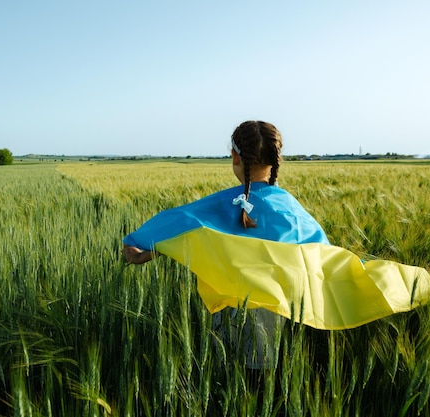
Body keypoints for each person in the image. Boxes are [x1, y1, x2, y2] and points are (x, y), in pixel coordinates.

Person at [122, 120, 331, 371]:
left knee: (228, 369)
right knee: (263, 371)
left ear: (235, 157)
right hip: (275, 313)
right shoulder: (291, 209)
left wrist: (140, 247)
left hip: (228, 312)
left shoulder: (223, 204)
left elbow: (177, 223)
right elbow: (323, 253)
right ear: (276, 158)